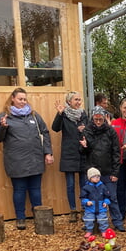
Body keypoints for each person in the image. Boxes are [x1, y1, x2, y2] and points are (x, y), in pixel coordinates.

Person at [0, 87, 54, 230]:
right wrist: (2, 127)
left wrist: (48, 153)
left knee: (35, 190)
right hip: (16, 161)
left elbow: (45, 133)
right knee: (19, 190)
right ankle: (20, 219)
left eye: (25, 99)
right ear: (12, 98)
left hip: (35, 159)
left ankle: (39, 217)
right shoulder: (5, 116)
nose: (23, 102)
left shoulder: (34, 116)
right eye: (20, 99)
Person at [81, 106, 124, 232]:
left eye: (100, 119)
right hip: (92, 171)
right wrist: (84, 147)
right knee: (90, 197)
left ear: (104, 118)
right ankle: (89, 223)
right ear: (92, 118)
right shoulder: (87, 131)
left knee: (112, 198)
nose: (98, 121)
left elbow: (116, 152)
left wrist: (115, 172)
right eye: (96, 119)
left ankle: (117, 222)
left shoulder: (111, 131)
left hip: (108, 171)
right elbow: (82, 152)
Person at [52, 91, 88, 222]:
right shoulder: (64, 114)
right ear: (69, 102)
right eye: (75, 100)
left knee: (84, 184)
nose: (78, 102)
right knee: (70, 185)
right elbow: (55, 128)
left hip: (82, 153)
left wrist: (84, 129)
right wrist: (60, 114)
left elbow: (90, 131)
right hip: (69, 153)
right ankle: (73, 210)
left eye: (79, 99)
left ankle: (85, 209)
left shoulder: (83, 114)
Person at [80, 167, 110, 234]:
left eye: (98, 176)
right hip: (90, 208)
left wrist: (106, 202)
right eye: (94, 177)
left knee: (103, 220)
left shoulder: (103, 186)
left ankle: (104, 231)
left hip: (101, 207)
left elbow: (107, 196)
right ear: (90, 178)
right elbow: (83, 197)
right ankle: (89, 231)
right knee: (88, 219)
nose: (97, 178)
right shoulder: (86, 187)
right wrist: (87, 202)